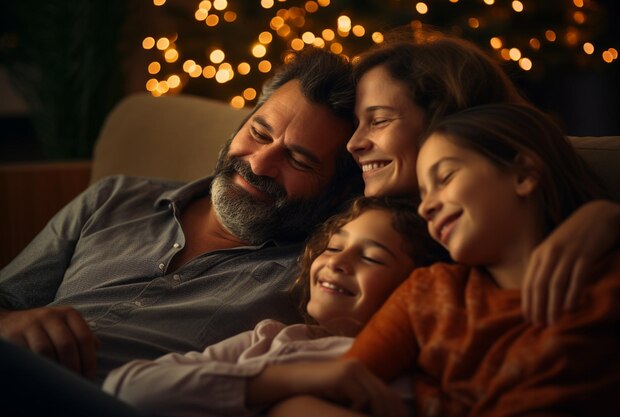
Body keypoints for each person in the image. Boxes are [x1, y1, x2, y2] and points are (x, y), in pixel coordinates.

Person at [0, 47, 364, 383]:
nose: (259, 163)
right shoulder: (115, 197)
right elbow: (9, 298)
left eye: (298, 160)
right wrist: (13, 323)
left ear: (337, 190)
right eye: (259, 132)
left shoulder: (312, 276)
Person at [270, 103, 620, 417]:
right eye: (423, 193)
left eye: (445, 177)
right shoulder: (430, 293)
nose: (427, 206)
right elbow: (308, 402)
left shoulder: (610, 276)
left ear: (523, 174)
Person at [345, 28, 620, 324]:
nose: (353, 143)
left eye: (378, 120)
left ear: (448, 119)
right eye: (357, 123)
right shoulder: (360, 221)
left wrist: (606, 218)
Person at [101, 196, 442, 417]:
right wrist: (289, 379)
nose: (339, 263)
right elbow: (127, 389)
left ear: (417, 288)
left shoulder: (416, 371)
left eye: (372, 258)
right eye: (334, 247)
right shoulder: (270, 339)